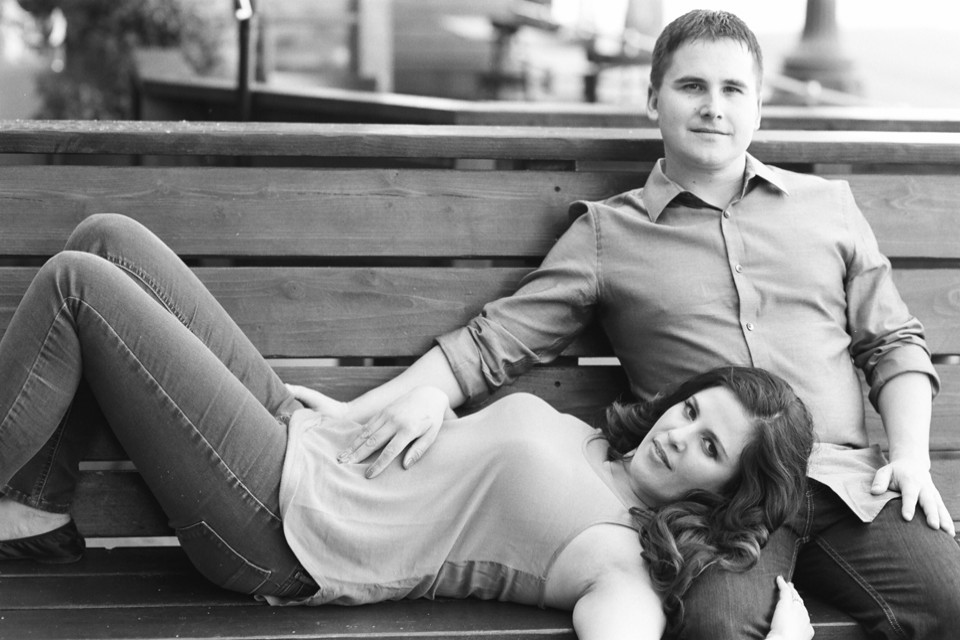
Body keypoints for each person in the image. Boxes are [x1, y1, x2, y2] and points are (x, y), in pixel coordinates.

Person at [292, 9, 960, 640]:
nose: (714, 106)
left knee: (952, 600)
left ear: (758, 106)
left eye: (733, 89)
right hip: (718, 506)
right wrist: (363, 414)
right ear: (653, 100)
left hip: (847, 485)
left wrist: (908, 456)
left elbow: (892, 341)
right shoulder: (609, 233)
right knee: (717, 627)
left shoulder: (827, 207)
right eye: (692, 86)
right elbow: (489, 344)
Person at [0, 218, 816, 640]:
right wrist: (426, 402)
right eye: (693, 410)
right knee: (106, 240)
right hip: (302, 443)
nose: (679, 433)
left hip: (283, 528)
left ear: (729, 496)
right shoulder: (597, 447)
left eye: (711, 447)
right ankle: (33, 510)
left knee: (78, 284)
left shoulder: (624, 566)